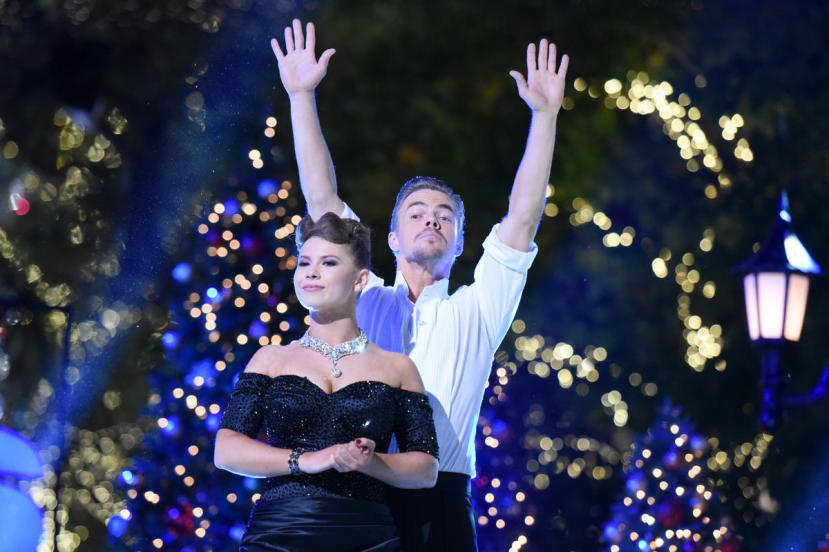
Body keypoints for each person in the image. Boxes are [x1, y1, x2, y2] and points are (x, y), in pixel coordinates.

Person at [271, 19, 568, 551]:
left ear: (459, 244)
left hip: (442, 503)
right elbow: (323, 202)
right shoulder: (365, 298)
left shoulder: (477, 310)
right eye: (416, 212)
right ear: (388, 238)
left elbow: (522, 219)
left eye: (444, 216)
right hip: (355, 496)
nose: (431, 220)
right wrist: (300, 96)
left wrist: (545, 116)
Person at [214, 213, 440, 551]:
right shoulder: (272, 359)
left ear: (360, 279)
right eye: (304, 262)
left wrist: (370, 462)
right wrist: (305, 460)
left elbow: (425, 469)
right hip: (278, 536)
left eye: (329, 262)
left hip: (367, 536)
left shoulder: (397, 368)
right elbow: (225, 449)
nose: (311, 272)